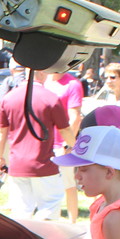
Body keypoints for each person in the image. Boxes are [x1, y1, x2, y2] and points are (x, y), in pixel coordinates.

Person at [0, 69, 69, 219]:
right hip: (44, 163)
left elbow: (1, 132)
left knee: (21, 210)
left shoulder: (8, 98)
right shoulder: (51, 98)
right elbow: (65, 130)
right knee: (49, 205)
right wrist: (75, 148)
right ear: (41, 72)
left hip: (17, 163)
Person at [45, 70, 85, 222]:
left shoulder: (72, 84)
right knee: (46, 185)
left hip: (61, 143)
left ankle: (72, 222)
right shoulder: (45, 81)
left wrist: (68, 144)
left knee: (68, 184)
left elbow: (75, 118)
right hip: (44, 142)